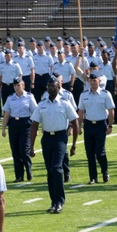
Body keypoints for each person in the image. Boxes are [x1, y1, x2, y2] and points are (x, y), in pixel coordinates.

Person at [29, 78, 79, 213]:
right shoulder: (42, 104)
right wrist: (31, 146)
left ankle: (59, 201)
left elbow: (75, 122)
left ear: (59, 87)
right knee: (50, 171)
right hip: (46, 139)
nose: (51, 88)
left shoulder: (65, 103)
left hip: (60, 138)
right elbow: (34, 125)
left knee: (57, 168)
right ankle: (53, 202)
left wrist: (74, 144)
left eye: (54, 86)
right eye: (49, 86)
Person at [77, 71, 115, 184]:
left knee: (100, 152)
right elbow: (81, 111)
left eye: (95, 80)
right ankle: (93, 177)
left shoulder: (105, 94)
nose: (93, 82)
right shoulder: (84, 95)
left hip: (100, 125)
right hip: (88, 125)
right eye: (91, 80)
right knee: (90, 153)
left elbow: (111, 111)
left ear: (99, 81)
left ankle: (105, 171)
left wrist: (110, 125)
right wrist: (79, 126)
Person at [1, 77, 37, 183]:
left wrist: (36, 128)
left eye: (19, 85)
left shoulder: (29, 97)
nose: (17, 87)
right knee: (15, 152)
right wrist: (3, 128)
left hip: (25, 124)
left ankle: (28, 170)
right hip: (13, 125)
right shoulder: (10, 98)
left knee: (23, 150)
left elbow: (35, 113)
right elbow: (7, 114)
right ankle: (19, 176)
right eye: (15, 85)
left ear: (23, 85)